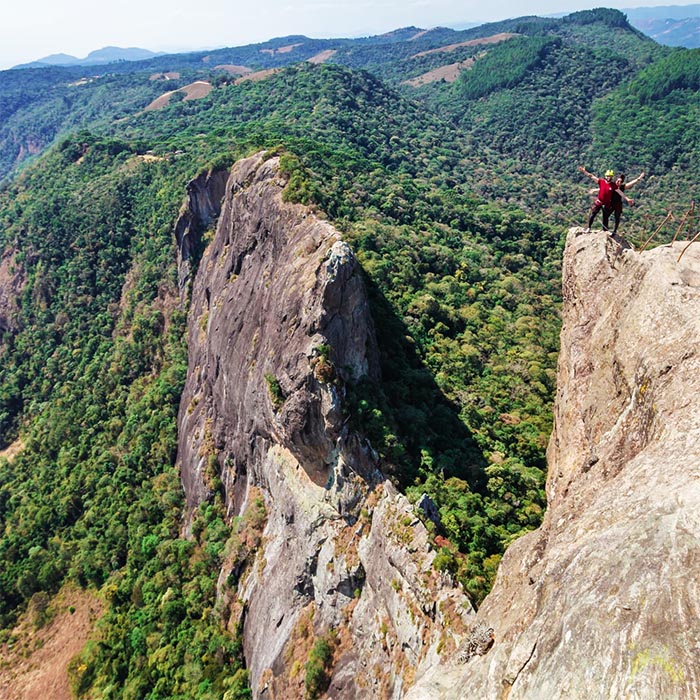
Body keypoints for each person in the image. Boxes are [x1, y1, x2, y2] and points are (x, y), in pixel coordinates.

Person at [578, 166, 633, 232]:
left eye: (610, 176)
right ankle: (589, 227)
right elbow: (592, 176)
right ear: (605, 176)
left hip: (607, 203)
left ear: (612, 177)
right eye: (607, 176)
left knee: (605, 217)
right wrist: (584, 171)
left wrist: (627, 199)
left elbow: (620, 192)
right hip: (599, 201)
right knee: (593, 214)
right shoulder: (601, 182)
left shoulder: (613, 185)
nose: (608, 177)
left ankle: (605, 230)